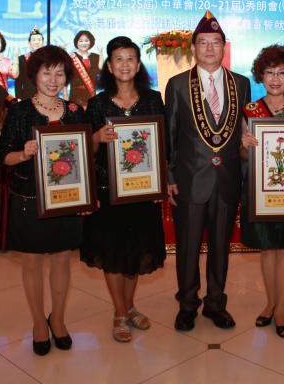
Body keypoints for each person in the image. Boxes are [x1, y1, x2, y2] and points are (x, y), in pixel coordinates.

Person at [0, 45, 90, 356]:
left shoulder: (75, 112)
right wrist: (23, 154)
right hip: (29, 198)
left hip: (65, 199)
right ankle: (38, 322)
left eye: (59, 73)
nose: (53, 80)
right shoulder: (20, 111)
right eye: (47, 73)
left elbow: (84, 157)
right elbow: (2, 155)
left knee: (62, 259)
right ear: (34, 75)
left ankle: (57, 319)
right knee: (32, 262)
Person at [165, 11, 251, 332]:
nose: (210, 48)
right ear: (194, 48)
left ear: (224, 47)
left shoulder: (240, 84)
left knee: (220, 247)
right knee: (187, 248)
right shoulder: (177, 85)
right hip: (189, 180)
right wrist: (169, 177)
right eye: (203, 43)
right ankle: (187, 305)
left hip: (227, 179)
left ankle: (216, 304)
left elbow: (243, 132)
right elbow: (170, 136)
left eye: (216, 42)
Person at [81, 36, 166, 342]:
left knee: (134, 254)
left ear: (139, 65)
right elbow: (84, 149)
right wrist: (96, 138)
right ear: (109, 65)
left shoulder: (153, 100)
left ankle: (129, 307)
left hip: (143, 190)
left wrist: (161, 182)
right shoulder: (97, 104)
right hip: (108, 191)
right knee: (113, 253)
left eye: (131, 58)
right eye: (119, 59)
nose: (125, 64)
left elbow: (163, 145)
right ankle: (119, 312)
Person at [240, 45, 284, 338]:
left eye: (282, 73)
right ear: (261, 76)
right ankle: (269, 303)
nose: (276, 79)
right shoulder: (251, 110)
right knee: (268, 249)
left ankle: (281, 309)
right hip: (262, 193)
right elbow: (243, 156)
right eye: (270, 73)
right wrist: (244, 146)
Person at [69, 30, 100, 108]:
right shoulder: (71, 57)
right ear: (76, 43)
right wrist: (65, 94)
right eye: (81, 41)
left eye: (86, 40)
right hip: (75, 95)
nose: (84, 43)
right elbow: (66, 76)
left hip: (90, 94)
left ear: (91, 42)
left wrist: (101, 53)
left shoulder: (96, 57)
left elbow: (100, 69)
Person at [14, 28, 46, 100]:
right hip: (27, 97)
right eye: (34, 40)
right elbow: (18, 82)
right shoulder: (22, 59)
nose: (36, 42)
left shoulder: (49, 60)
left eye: (39, 40)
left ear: (43, 42)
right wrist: (18, 98)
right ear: (29, 43)